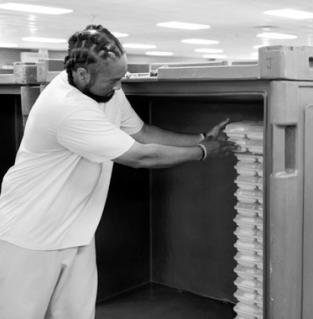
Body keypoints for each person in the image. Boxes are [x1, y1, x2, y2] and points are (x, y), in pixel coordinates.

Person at [0, 24, 235, 319]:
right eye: (113, 80)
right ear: (82, 75)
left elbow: (143, 133)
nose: (118, 86)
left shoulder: (107, 92)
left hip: (77, 230)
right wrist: (202, 154)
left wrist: (202, 138)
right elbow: (141, 156)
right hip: (31, 235)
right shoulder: (65, 107)